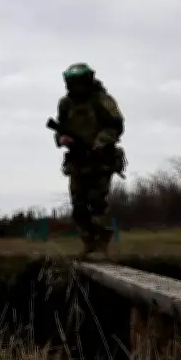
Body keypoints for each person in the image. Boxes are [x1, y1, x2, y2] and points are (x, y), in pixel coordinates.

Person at [53, 63, 126, 255]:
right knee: (78, 206)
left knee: (97, 202)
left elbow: (116, 126)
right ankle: (88, 244)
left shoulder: (102, 100)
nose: (77, 87)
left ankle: (101, 245)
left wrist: (100, 142)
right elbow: (60, 128)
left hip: (101, 160)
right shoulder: (66, 104)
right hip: (77, 161)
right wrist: (62, 139)